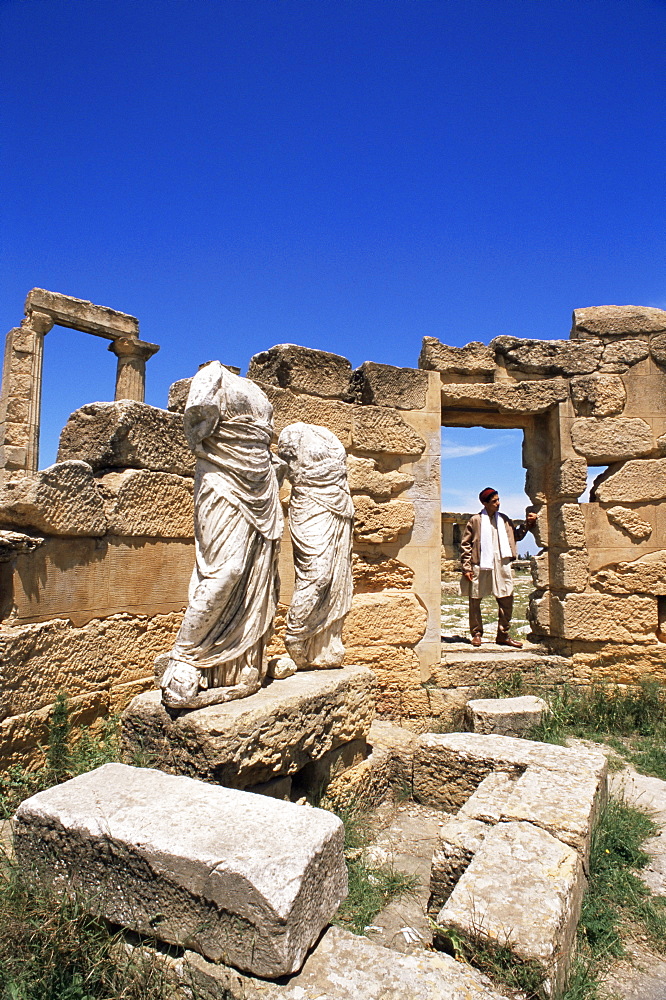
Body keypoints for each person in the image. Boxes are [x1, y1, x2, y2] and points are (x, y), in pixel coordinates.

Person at [160, 361, 285, 708]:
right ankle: (184, 656)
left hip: (262, 484)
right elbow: (195, 423)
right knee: (226, 569)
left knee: (258, 573)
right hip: (221, 476)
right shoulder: (212, 375)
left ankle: (243, 662)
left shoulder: (259, 394)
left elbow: (264, 441)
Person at [277, 421, 354, 668]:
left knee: (336, 577)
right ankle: (296, 633)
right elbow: (289, 466)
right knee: (318, 574)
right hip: (310, 502)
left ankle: (323, 645)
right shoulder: (294, 433)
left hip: (339, 503)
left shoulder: (327, 436)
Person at [460, 488, 537, 648]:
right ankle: (477, 634)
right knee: (475, 599)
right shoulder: (475, 520)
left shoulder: (504, 519)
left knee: (506, 598)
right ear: (485, 503)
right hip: (480, 563)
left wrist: (528, 524)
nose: (498, 503)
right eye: (494, 501)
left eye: (498, 500)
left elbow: (516, 536)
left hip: (502, 563)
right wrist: (467, 567)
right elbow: (466, 544)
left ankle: (503, 634)